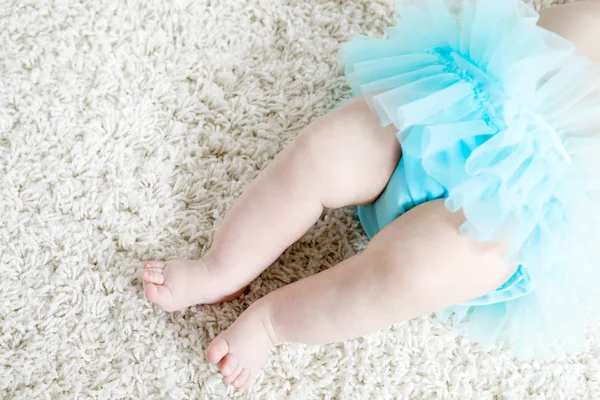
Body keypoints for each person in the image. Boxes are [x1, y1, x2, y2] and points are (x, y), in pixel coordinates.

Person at [142, 0, 600, 390]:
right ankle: (222, 266)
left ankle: (272, 322)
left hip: (523, 203)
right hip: (465, 103)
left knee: (413, 272)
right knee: (324, 151)